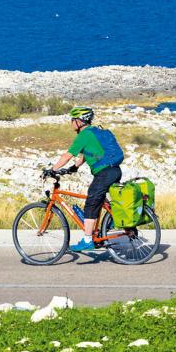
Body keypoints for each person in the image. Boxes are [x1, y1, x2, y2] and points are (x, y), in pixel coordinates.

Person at [50, 106, 124, 251]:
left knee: (91, 202)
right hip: (115, 170)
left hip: (104, 173)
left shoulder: (83, 135)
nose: (71, 122)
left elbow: (67, 155)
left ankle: (88, 239)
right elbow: (87, 153)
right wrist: (75, 167)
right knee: (99, 199)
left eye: (72, 120)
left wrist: (52, 170)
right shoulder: (95, 132)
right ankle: (105, 227)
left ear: (79, 121)